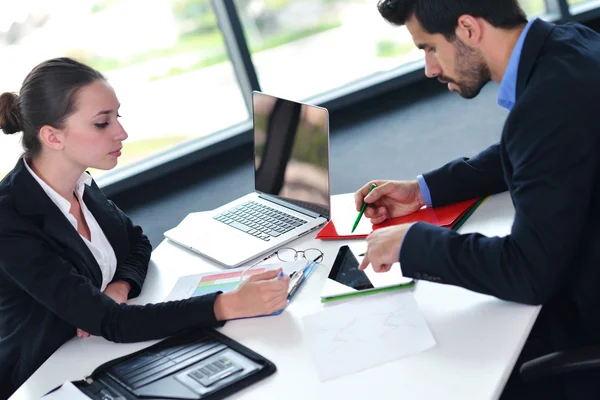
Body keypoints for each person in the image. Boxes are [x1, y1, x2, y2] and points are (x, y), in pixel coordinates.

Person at [0, 57, 289, 398]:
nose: (121, 133)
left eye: (117, 117)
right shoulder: (10, 217)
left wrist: (119, 287)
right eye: (101, 123)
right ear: (52, 136)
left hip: (97, 352)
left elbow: (136, 242)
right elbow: (112, 323)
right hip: (49, 377)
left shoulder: (79, 183)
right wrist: (229, 304)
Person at [355, 1, 600, 399]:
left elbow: (526, 273)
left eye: (429, 48)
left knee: (438, 370)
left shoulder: (546, 105)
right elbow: (529, 151)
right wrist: (422, 190)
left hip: (583, 323)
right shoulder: (570, 44)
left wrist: (412, 242)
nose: (429, 69)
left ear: (468, 29)